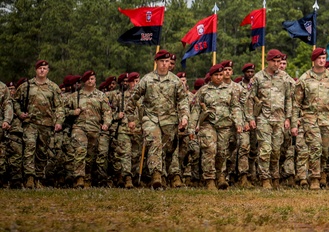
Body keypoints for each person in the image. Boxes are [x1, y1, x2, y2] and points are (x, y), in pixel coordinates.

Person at [126, 50, 190, 190]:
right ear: (156, 62)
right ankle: (156, 175)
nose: (164, 64)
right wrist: (131, 118)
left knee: (168, 149)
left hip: (169, 121)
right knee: (155, 143)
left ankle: (165, 175)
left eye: (167, 62)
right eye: (162, 61)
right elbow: (133, 99)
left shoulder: (175, 81)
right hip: (151, 118)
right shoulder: (147, 80)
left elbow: (183, 101)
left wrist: (184, 117)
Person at [291, 48, 329, 190]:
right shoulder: (304, 78)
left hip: (327, 119)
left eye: (324, 57)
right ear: (314, 60)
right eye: (320, 58)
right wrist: (294, 124)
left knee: (326, 149)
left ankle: (322, 172)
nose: (322, 60)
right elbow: (296, 104)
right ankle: (314, 178)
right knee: (315, 147)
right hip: (310, 119)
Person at [191, 62, 244, 190]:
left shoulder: (230, 90)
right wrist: (192, 127)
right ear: (211, 76)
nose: (219, 77)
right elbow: (196, 110)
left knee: (222, 151)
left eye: (221, 75)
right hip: (208, 125)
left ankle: (220, 176)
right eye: (217, 75)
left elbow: (235, 107)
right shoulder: (203, 91)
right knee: (209, 150)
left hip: (225, 125)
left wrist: (238, 123)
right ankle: (209, 179)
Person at [14, 60, 65, 189]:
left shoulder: (53, 87)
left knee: (42, 152)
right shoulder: (27, 86)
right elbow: (15, 101)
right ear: (36, 70)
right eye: (40, 68)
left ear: (48, 71)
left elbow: (59, 107)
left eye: (45, 68)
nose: (42, 70)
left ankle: (38, 178)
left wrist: (59, 122)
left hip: (46, 124)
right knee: (29, 149)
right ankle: (29, 177)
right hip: (30, 123)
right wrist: (20, 113)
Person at [246, 49, 292, 189]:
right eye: (275, 61)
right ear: (268, 61)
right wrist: (250, 118)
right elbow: (250, 99)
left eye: (279, 62)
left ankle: (275, 176)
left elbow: (288, 99)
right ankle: (265, 178)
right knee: (265, 149)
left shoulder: (284, 77)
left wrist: (288, 118)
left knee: (276, 150)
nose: (277, 64)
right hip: (263, 118)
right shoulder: (258, 78)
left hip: (279, 119)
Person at [68, 70, 112, 188]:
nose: (90, 81)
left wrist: (106, 124)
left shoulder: (101, 96)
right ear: (84, 81)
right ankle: (79, 178)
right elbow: (63, 110)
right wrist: (73, 112)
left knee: (90, 156)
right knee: (80, 151)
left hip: (94, 128)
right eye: (88, 79)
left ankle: (87, 178)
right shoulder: (75, 96)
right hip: (79, 128)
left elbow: (107, 112)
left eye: (92, 78)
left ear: (95, 80)